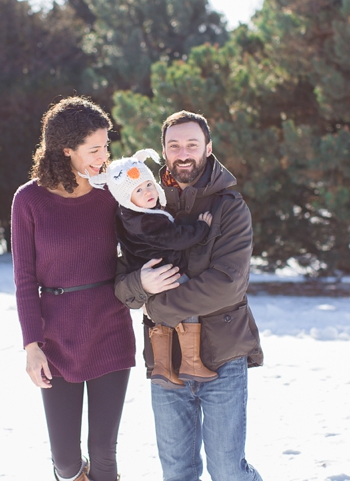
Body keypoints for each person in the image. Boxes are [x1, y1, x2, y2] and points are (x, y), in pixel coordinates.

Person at [114, 111, 264, 481]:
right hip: (165, 360)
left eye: (192, 144)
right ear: (163, 151)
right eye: (174, 145)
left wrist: (156, 303)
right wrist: (141, 286)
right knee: (177, 472)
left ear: (208, 148)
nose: (183, 153)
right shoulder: (141, 205)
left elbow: (227, 284)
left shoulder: (229, 207)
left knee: (228, 470)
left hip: (224, 354)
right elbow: (120, 284)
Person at [11, 97, 135, 481]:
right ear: (66, 150)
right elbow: (24, 280)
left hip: (109, 327)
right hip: (56, 337)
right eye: (94, 149)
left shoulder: (111, 192)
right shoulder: (28, 200)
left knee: (104, 455)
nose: (104, 156)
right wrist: (32, 346)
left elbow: (145, 237)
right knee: (66, 462)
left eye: (106, 146)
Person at [87, 148, 218, 388]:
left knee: (161, 321)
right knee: (188, 301)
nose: (147, 192)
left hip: (152, 277)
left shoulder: (131, 215)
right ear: (126, 198)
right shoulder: (147, 221)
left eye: (148, 184)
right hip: (166, 274)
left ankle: (162, 367)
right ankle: (190, 362)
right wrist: (201, 229)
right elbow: (176, 238)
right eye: (138, 190)